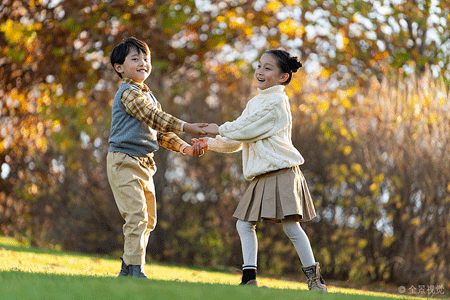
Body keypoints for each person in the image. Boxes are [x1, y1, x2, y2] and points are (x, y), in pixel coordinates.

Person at [194, 50, 328, 291]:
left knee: (290, 227)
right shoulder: (255, 102)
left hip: (283, 171)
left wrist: (216, 128)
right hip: (262, 174)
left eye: (268, 68)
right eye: (259, 66)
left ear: (283, 77)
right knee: (244, 224)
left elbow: (245, 129)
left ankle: (315, 280)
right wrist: (211, 143)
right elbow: (239, 138)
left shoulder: (277, 102)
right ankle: (249, 278)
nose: (260, 71)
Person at [107, 37, 207, 278]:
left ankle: (126, 269)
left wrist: (186, 148)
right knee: (137, 216)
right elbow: (155, 118)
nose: (143, 62)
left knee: (148, 220)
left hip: (144, 164)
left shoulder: (149, 96)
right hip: (124, 161)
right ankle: (134, 270)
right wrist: (188, 126)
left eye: (146, 58)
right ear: (119, 67)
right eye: (135, 58)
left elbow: (160, 132)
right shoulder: (129, 94)